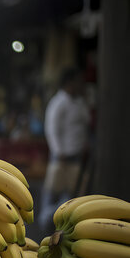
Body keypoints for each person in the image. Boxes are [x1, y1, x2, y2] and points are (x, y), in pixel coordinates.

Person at [39, 68, 90, 234]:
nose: (81, 84)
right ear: (69, 82)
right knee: (53, 191)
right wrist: (58, 151)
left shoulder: (79, 102)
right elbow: (51, 128)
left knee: (72, 193)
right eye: (78, 80)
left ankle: (63, 225)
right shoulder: (59, 102)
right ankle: (44, 223)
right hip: (61, 156)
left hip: (76, 156)